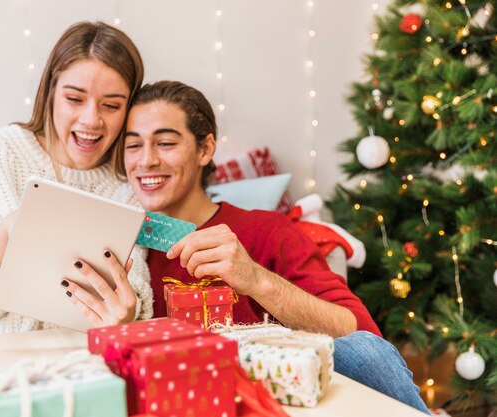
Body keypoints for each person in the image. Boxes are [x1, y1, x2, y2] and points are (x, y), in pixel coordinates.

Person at [111, 80, 430, 414]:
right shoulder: (124, 245)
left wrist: (256, 279)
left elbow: (361, 336)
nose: (146, 160)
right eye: (133, 146)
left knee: (364, 351)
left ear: (205, 149)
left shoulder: (266, 230)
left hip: (273, 403)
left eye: (165, 143)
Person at [0, 21, 154, 343]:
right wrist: (3, 237)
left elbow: (134, 295)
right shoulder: (0, 152)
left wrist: (124, 316)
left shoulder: (128, 184)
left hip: (66, 358)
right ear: (51, 93)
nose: (92, 119)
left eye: (111, 105)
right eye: (75, 99)